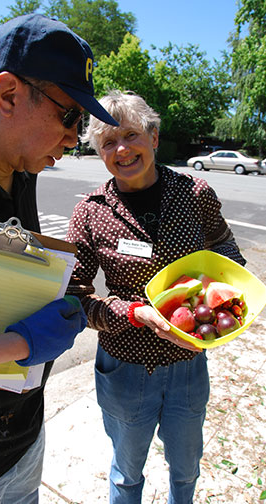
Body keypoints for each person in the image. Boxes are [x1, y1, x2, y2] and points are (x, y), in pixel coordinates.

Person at [0, 14, 118, 504]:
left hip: (23, 445)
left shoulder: (21, 170)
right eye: (70, 115)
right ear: (9, 93)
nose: (76, 137)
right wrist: (20, 343)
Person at [66, 90, 246, 504]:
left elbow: (226, 249)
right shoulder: (90, 211)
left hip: (188, 362)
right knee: (127, 474)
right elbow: (74, 296)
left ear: (154, 138)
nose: (122, 149)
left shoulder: (194, 193)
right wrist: (130, 313)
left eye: (131, 135)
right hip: (125, 367)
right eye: (108, 142)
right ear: (98, 152)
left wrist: (234, 301)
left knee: (186, 470)